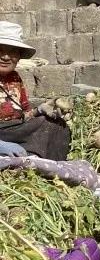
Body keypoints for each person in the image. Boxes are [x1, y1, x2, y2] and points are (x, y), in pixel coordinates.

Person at [0, 22, 71, 161]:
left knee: (55, 126)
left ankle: (48, 167)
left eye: (12, 52)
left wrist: (39, 110)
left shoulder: (15, 78)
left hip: (14, 131)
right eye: (0, 50)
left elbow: (22, 116)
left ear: (19, 57)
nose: (6, 57)